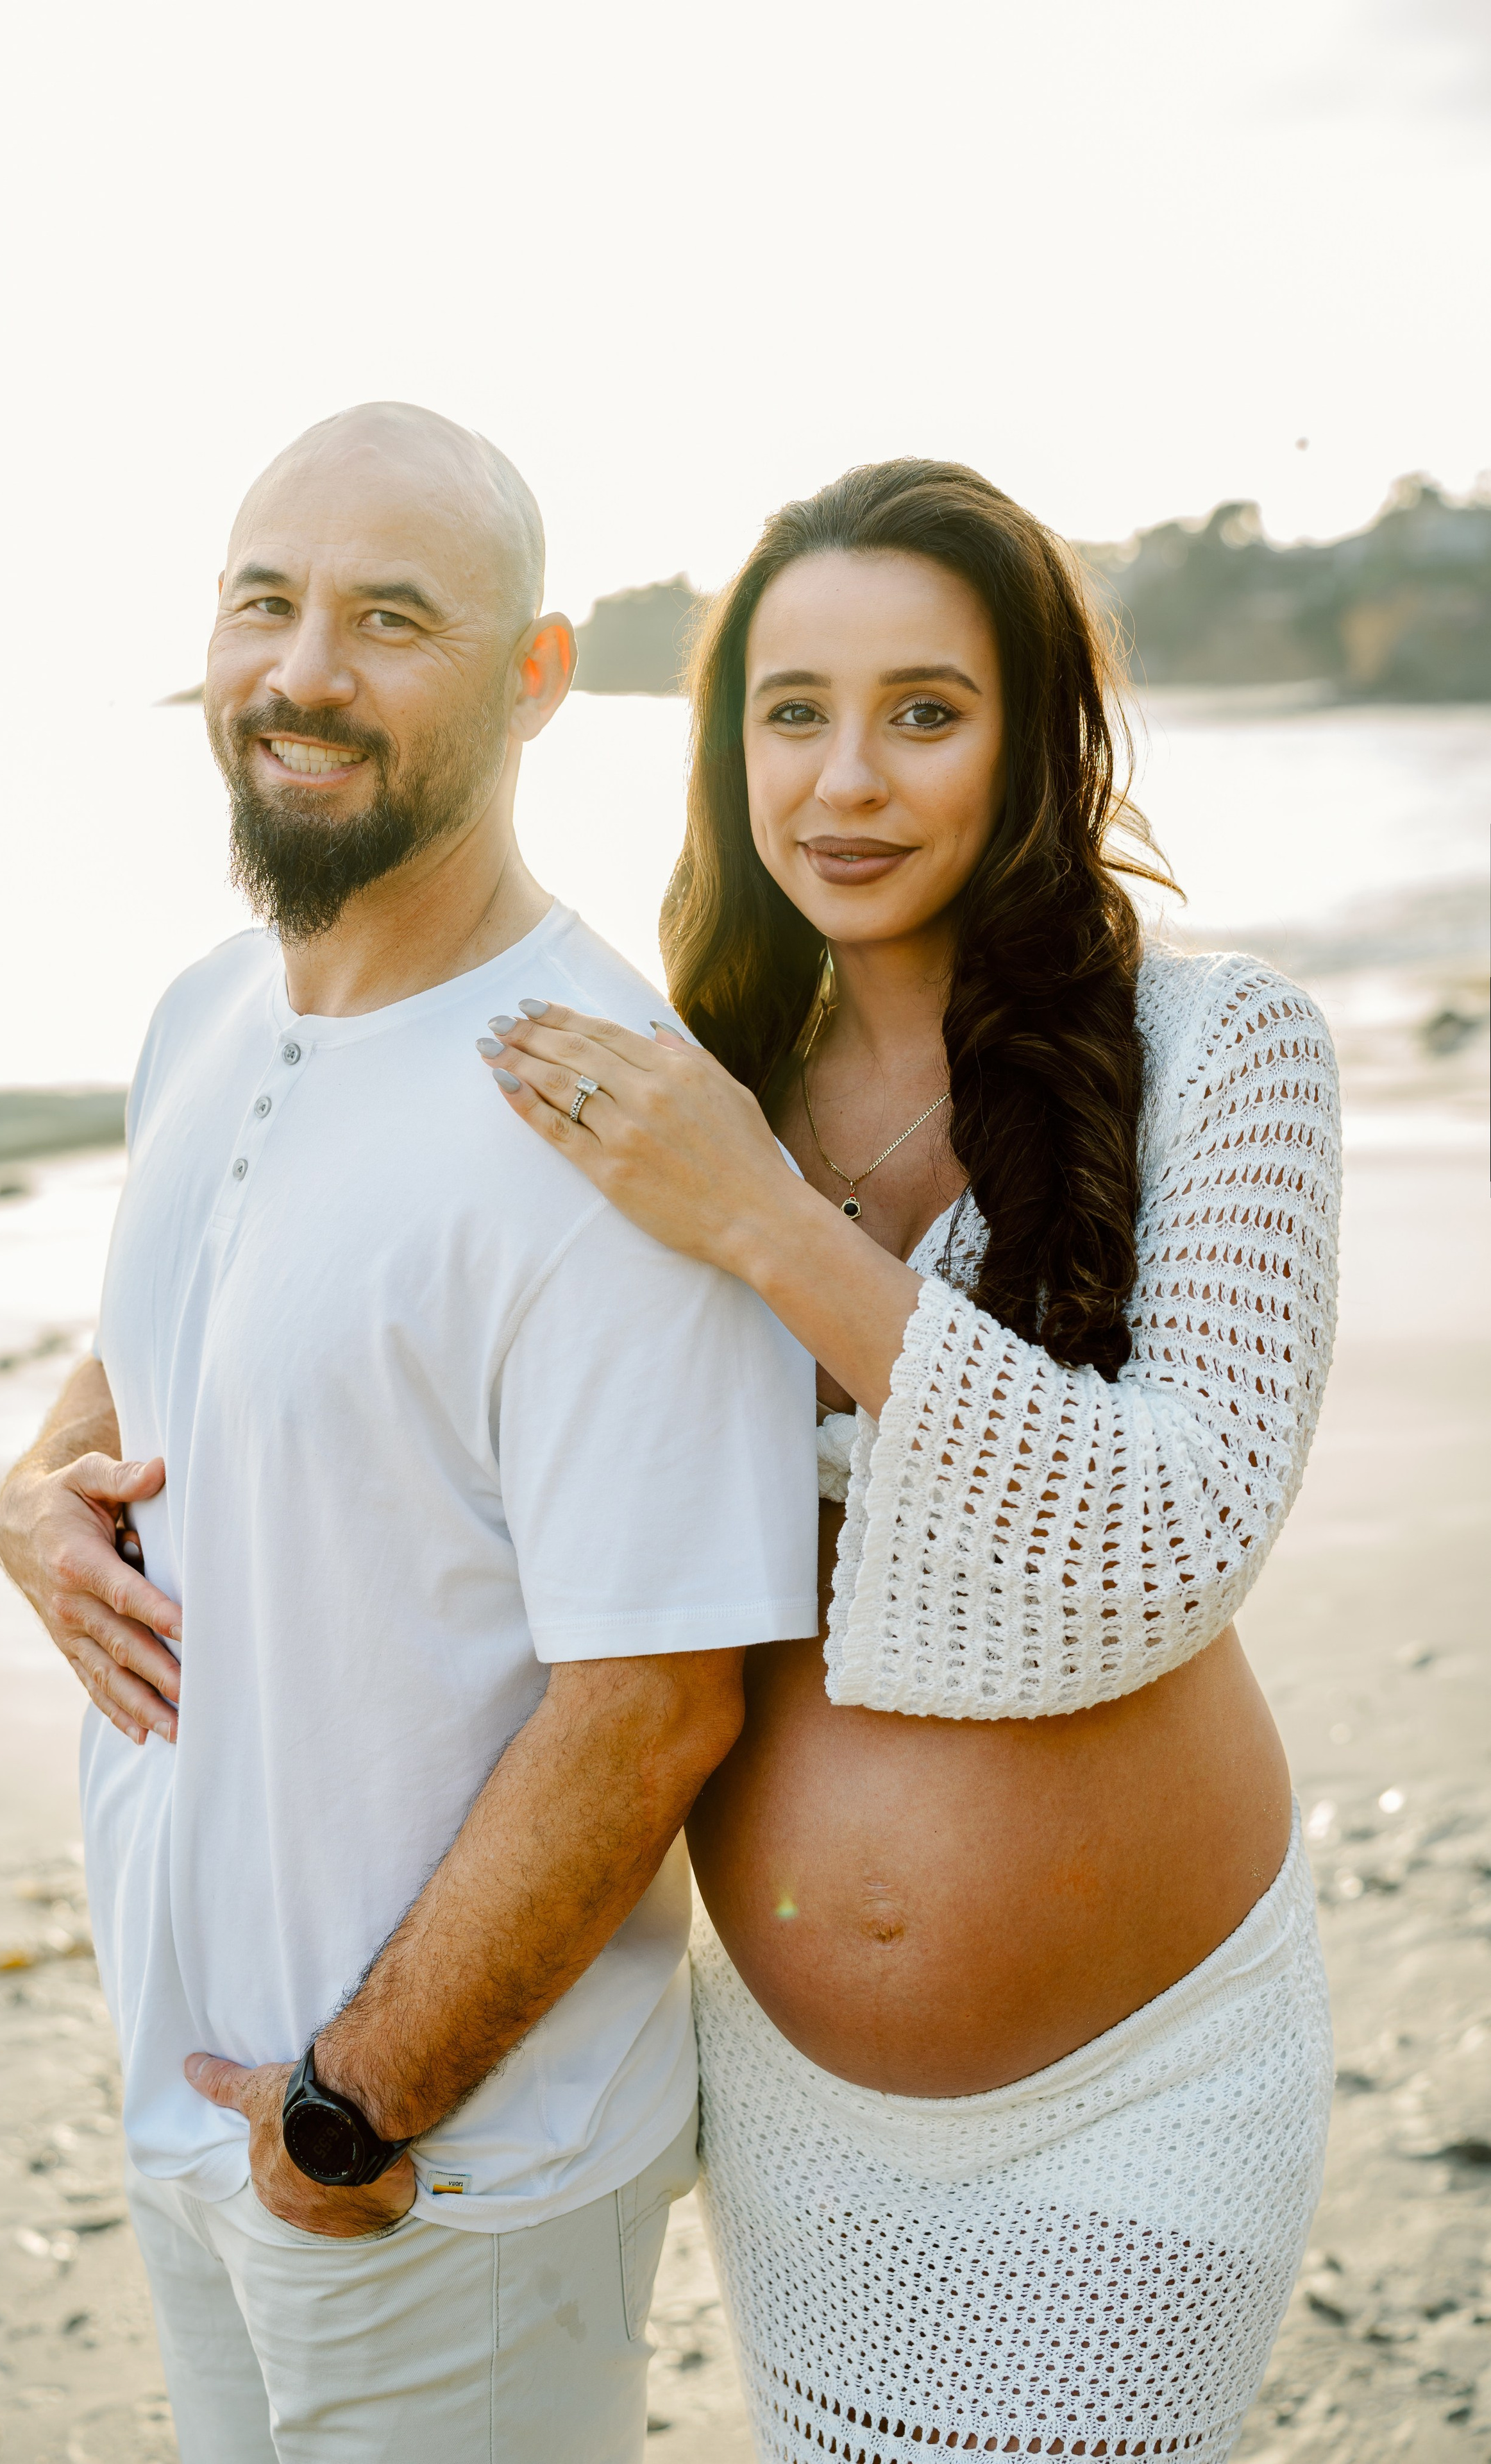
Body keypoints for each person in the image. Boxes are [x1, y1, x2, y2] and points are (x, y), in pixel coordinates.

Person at [478, 458, 1340, 2463]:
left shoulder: (1231, 1052)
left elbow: (1167, 1533)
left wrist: (766, 1228)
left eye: (923, 712)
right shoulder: (676, 1071)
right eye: (796, 712)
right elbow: (351, 1276)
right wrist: (60, 1466)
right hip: (790, 2107)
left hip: (1145, 2094)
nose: (846, 780)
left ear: (1032, 739)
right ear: (726, 747)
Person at [0, 402, 818, 2463]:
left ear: (538, 679)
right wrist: (31, 1491)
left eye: (391, 620)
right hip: (206, 2102)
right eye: (265, 603)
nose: (303, 672)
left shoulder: (600, 1107)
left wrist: (360, 2105)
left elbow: (654, 1701)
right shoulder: (208, 1010)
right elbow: (201, 1336)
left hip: (445, 2165)